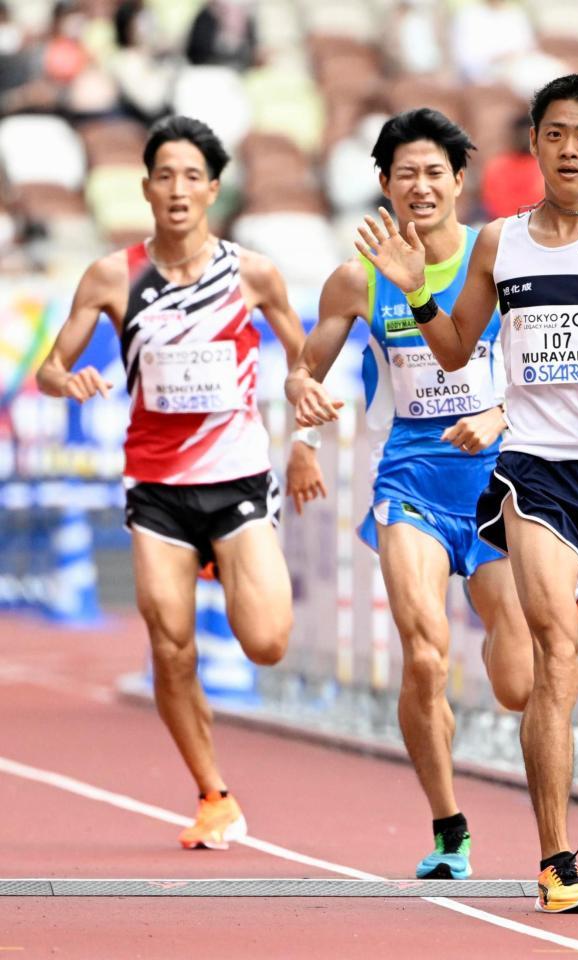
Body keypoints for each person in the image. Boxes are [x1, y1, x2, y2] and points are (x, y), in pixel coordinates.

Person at [355, 74, 578, 913]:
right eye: (553, 134)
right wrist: (417, 290)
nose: (568, 150)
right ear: (534, 144)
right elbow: (454, 350)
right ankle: (557, 863)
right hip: (534, 470)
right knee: (553, 652)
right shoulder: (500, 242)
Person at [36, 115, 326, 850]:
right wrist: (69, 381)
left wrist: (305, 433)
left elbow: (306, 364)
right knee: (171, 649)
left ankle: (227, 561)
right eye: (164, 175)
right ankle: (213, 794)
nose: (177, 189)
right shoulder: (113, 275)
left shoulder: (254, 273)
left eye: (191, 176)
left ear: (213, 189)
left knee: (267, 642)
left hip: (236, 482)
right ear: (145, 188)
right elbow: (50, 368)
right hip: (156, 488)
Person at [286, 108, 533, 881]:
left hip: (497, 487)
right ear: (385, 185)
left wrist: (497, 415)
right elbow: (305, 370)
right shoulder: (357, 278)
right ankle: (449, 826)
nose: (420, 187)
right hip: (410, 482)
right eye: (405, 175)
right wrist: (302, 414)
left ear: (459, 181)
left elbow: (546, 374)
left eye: (434, 173)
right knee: (424, 656)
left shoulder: (499, 261)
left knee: (518, 682)